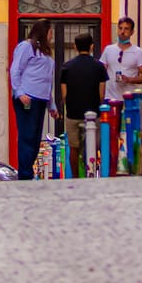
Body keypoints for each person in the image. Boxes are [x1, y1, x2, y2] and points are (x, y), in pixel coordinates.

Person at [8, 19, 56, 180]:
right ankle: (25, 174)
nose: (51, 35)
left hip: (41, 99)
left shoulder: (45, 52)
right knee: (27, 136)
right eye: (50, 31)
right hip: (28, 98)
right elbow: (15, 69)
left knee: (35, 138)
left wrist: (52, 104)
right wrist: (20, 92)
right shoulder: (26, 47)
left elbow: (48, 80)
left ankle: (28, 170)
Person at [57, 32, 108, 177]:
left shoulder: (66, 67)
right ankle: (95, 172)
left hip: (73, 114)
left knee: (74, 148)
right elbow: (102, 94)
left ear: (75, 47)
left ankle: (75, 177)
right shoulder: (99, 67)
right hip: (93, 113)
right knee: (96, 146)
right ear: (92, 47)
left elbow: (64, 94)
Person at [99, 16, 142, 103]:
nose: (122, 31)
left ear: (132, 32)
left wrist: (129, 79)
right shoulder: (108, 49)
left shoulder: (138, 52)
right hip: (110, 98)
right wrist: (101, 96)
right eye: (120, 28)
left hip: (129, 98)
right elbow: (100, 73)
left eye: (126, 29)